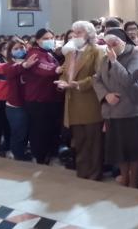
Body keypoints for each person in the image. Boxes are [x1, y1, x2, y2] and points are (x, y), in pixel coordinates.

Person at [93, 29, 138, 188]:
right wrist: (106, 95)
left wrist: (115, 62)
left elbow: (129, 80)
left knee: (134, 150)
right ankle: (124, 177)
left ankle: (134, 180)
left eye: (114, 43)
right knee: (119, 150)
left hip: (132, 110)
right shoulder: (105, 59)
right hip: (112, 111)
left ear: (123, 41)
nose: (110, 47)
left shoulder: (136, 55)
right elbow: (96, 79)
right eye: (107, 44)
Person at [57, 21, 104, 180]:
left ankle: (95, 172)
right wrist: (63, 82)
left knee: (93, 141)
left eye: (79, 33)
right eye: (74, 33)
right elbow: (65, 72)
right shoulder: (71, 52)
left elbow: (99, 76)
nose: (75, 36)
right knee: (80, 141)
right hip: (73, 103)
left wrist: (80, 85)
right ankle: (83, 171)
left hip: (89, 101)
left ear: (89, 35)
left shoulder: (96, 51)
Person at [18, 29, 64, 164]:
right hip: (37, 99)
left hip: (50, 98)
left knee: (50, 128)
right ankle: (40, 156)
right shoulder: (34, 54)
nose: (49, 40)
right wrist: (59, 69)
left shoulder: (48, 53)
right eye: (45, 38)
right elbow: (44, 69)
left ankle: (49, 153)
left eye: (51, 37)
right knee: (39, 130)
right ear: (38, 40)